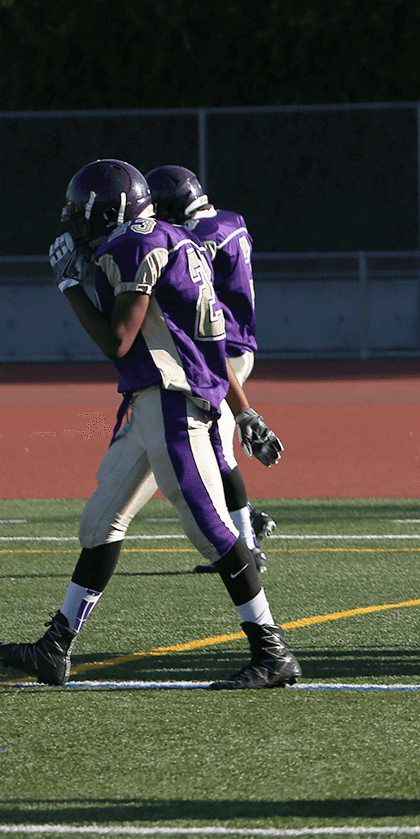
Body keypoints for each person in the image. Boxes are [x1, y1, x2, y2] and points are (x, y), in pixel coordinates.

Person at [0, 160, 299, 690]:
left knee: (208, 528)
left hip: (173, 399)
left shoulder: (135, 243)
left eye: (80, 212)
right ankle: (54, 649)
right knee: (100, 520)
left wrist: (70, 285)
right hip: (154, 398)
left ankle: (272, 650)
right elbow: (207, 341)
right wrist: (243, 409)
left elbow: (118, 341)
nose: (73, 222)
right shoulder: (175, 238)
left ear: (109, 210)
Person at [146, 165, 273, 575]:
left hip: (220, 350)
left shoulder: (200, 234)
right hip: (233, 343)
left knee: (218, 449)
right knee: (214, 448)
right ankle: (245, 522)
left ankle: (247, 541)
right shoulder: (230, 221)